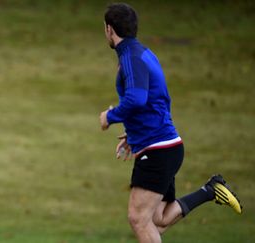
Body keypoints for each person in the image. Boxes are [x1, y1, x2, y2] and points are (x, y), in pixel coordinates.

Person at [99, 3, 242, 242]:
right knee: (159, 219)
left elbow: (137, 98)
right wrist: (133, 134)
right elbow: (159, 100)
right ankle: (211, 190)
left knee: (138, 219)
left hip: (157, 150)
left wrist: (109, 117)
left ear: (109, 29)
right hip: (166, 146)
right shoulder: (144, 53)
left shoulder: (131, 58)